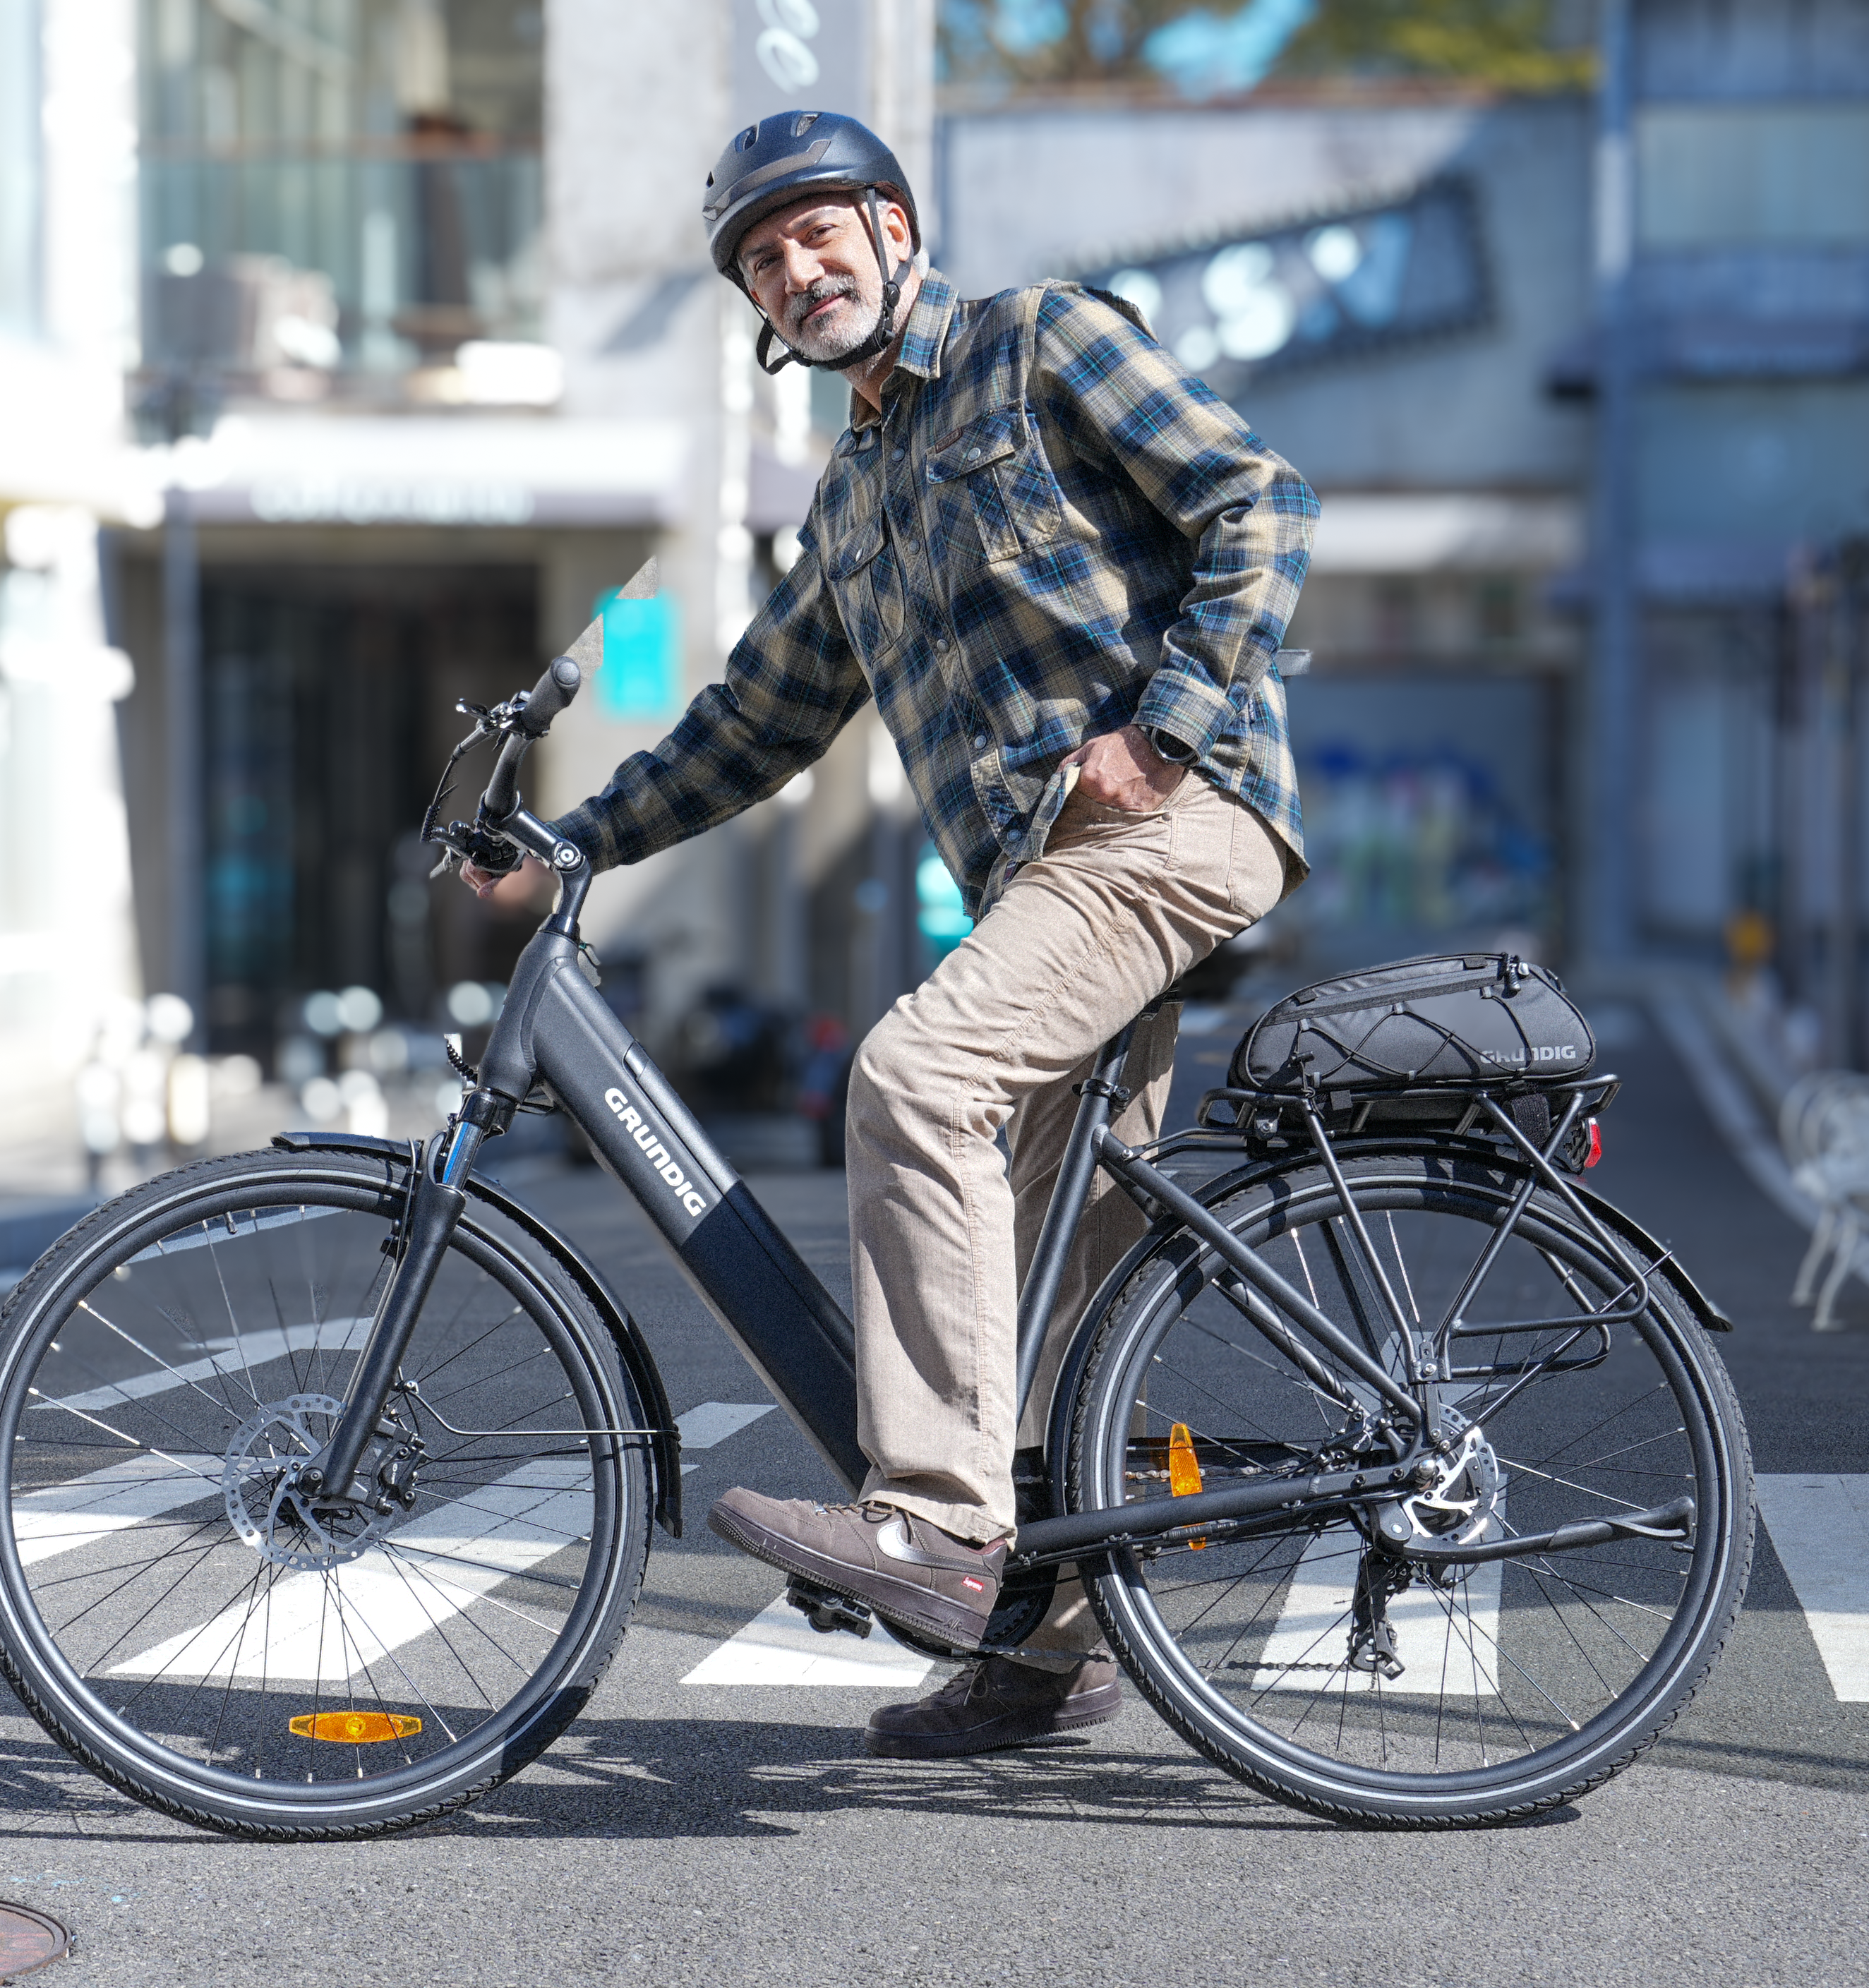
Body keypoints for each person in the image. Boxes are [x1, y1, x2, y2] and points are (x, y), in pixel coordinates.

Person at [463, 111, 1314, 1757]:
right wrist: (575, 836)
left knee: (914, 1074)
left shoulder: (1039, 346)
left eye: (820, 233)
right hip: (1048, 887)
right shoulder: (852, 499)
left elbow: (1259, 498)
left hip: (1166, 821)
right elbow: (750, 723)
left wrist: (1166, 727)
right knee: (1075, 1283)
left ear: (896, 229)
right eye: (766, 258)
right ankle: (1049, 1653)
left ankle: (930, 1517)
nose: (799, 269)